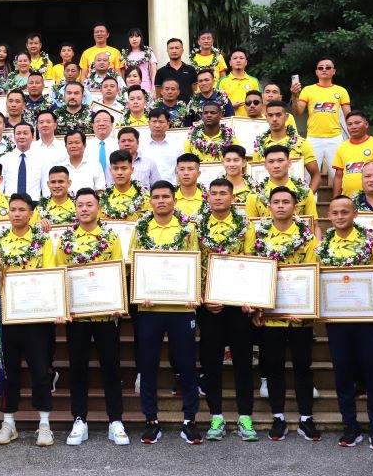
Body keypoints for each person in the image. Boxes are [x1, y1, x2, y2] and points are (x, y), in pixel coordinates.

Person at [318, 196, 373, 451]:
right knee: (343, 374)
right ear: (329, 216)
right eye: (335, 213)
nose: (340, 216)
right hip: (338, 319)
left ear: (355, 214)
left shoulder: (370, 241)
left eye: (345, 212)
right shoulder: (323, 246)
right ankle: (350, 425)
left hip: (369, 319)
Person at [54, 188, 129, 446]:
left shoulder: (110, 237)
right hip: (78, 317)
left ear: (98, 208)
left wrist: (119, 301)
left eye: (89, 204)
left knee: (111, 367)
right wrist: (62, 308)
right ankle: (79, 420)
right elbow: (60, 275)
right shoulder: (66, 239)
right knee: (78, 368)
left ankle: (115, 420)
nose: (84, 209)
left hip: (106, 316)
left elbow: (118, 271)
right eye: (80, 205)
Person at [128, 181, 202, 444]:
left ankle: (189, 420)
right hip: (149, 308)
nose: (161, 201)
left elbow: (195, 263)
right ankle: (151, 420)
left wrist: (193, 294)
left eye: (166, 196)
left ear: (174, 200)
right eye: (156, 197)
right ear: (150, 201)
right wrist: (140, 292)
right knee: (148, 366)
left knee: (186, 365)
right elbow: (134, 264)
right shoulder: (141, 229)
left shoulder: (187, 229)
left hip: (181, 308)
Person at [250, 188, 321, 442]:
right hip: (272, 316)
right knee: (274, 367)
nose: (280, 206)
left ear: (295, 207)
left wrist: (307, 307)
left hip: (300, 316)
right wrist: (256, 306)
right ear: (269, 207)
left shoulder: (308, 237)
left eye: (286, 202)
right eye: (276, 202)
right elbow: (255, 271)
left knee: (303, 366)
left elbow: (313, 270)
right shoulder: (259, 236)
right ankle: (278, 417)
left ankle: (306, 418)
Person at [0, 194, 58, 446]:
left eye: (21, 210)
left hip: (37, 316)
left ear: (31, 213)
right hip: (8, 316)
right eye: (12, 209)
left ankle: (45, 424)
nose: (16, 214)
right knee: (8, 372)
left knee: (40, 370)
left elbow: (50, 274)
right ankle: (8, 422)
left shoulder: (42, 240)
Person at [196, 178, 258, 441]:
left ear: (233, 198)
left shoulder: (245, 226)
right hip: (210, 306)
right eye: (214, 193)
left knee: (243, 361)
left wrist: (249, 297)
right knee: (211, 362)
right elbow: (192, 263)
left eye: (223, 193)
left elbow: (252, 261)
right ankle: (216, 416)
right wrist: (202, 298)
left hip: (238, 304)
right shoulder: (197, 226)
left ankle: (245, 416)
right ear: (207, 197)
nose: (218, 197)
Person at [291, 57, 351, 174]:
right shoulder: (308, 90)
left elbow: (349, 116)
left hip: (335, 138)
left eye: (328, 67)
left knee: (339, 175)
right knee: (309, 176)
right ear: (316, 72)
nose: (324, 69)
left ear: (334, 71)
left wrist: (352, 137)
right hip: (313, 138)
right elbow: (298, 113)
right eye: (320, 68)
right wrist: (294, 96)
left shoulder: (341, 91)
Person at [255, 100, 321, 193]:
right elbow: (255, 175)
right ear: (266, 117)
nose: (274, 119)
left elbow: (316, 175)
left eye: (278, 115)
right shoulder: (259, 145)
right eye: (270, 115)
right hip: (266, 199)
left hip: (295, 198)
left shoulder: (301, 143)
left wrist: (306, 197)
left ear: (286, 117)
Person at [246, 145, 319, 222]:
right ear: (265, 165)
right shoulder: (254, 195)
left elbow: (314, 224)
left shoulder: (305, 192)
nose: (276, 166)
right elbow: (250, 226)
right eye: (271, 162)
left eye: (280, 160)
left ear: (289, 163)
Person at [332, 110, 373, 198]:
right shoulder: (342, 147)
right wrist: (335, 199)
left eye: (357, 123)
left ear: (366, 124)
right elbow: (338, 177)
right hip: (348, 199)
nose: (353, 127)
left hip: (372, 199)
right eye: (349, 124)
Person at [99, 150, 150, 222]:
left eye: (124, 168)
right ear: (110, 171)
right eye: (115, 169)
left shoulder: (145, 197)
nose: (119, 173)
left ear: (132, 170)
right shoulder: (103, 199)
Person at [0, 123, 44, 199]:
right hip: (10, 203)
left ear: (32, 137)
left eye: (25, 133)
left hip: (34, 203)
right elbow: (0, 186)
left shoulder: (41, 159)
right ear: (14, 137)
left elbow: (45, 187)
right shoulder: (5, 159)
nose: (21, 136)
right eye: (18, 133)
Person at [140, 108, 179, 184]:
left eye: (161, 122)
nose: (157, 125)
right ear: (149, 123)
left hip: (170, 187)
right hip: (147, 188)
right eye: (154, 121)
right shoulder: (141, 145)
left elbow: (180, 168)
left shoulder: (176, 144)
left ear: (168, 124)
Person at [216, 50, 260, 117]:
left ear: (246, 62)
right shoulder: (222, 82)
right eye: (235, 58)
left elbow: (260, 102)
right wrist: (230, 107)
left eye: (241, 58)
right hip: (229, 120)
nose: (238, 60)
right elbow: (217, 104)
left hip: (250, 120)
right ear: (230, 63)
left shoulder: (254, 81)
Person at [33, 110, 68, 193]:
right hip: (35, 194)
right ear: (37, 126)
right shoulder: (31, 148)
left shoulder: (64, 147)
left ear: (55, 125)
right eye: (41, 122)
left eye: (48, 122)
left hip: (60, 193)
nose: (45, 125)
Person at [154, 37, 197, 102]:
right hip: (167, 107)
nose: (174, 51)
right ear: (167, 51)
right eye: (171, 48)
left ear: (182, 50)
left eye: (177, 48)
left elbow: (195, 92)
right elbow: (158, 96)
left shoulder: (191, 70)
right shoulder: (160, 72)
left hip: (188, 107)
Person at [63, 130, 106, 194]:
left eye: (77, 142)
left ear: (84, 145)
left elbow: (100, 190)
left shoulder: (95, 165)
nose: (73, 146)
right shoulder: (60, 166)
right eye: (70, 143)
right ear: (66, 146)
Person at [86, 110, 117, 181]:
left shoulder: (118, 145)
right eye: (98, 121)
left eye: (105, 121)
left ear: (112, 125)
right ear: (92, 125)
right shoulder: (85, 146)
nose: (101, 124)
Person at [122, 27, 157, 92]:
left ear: (141, 38)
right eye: (131, 37)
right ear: (128, 39)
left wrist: (153, 86)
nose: (134, 39)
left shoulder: (148, 52)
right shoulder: (125, 54)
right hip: (130, 86)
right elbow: (123, 73)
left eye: (137, 36)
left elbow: (153, 71)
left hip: (146, 86)